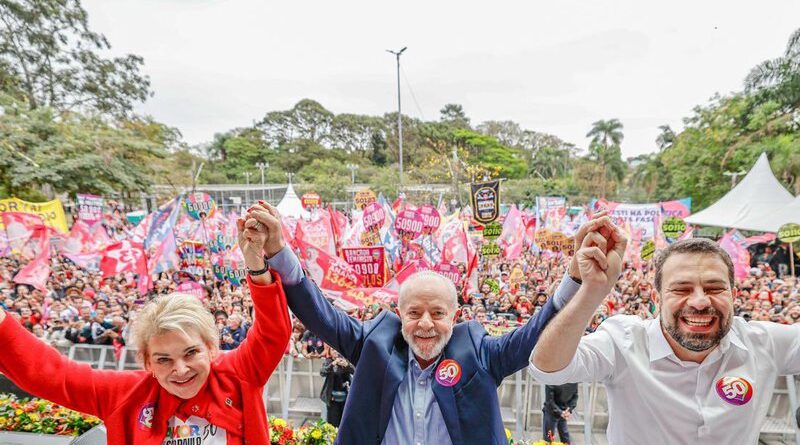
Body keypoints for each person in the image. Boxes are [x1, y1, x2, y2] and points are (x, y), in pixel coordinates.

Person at [245, 202, 615, 445]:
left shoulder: (480, 352)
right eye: (414, 313)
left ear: (454, 316)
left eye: (437, 313)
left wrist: (574, 277)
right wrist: (277, 251)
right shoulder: (374, 342)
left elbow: (535, 334)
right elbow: (318, 313)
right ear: (399, 314)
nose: (425, 324)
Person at [0, 214, 292, 445]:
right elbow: (49, 374)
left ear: (211, 349)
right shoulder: (126, 394)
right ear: (146, 361)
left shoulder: (238, 375)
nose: (180, 370)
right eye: (164, 359)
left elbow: (272, 334)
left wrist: (256, 266)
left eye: (191, 353)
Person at [530, 236, 800, 444]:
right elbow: (546, 368)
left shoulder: (765, 343)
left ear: (734, 294)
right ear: (657, 298)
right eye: (681, 289)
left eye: (714, 288)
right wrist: (590, 291)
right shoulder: (622, 341)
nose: (699, 301)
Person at [320, 349, 354, 427]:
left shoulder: (346, 361)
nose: (335, 352)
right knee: (333, 422)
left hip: (345, 398)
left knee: (344, 421)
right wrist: (332, 364)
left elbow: (355, 372)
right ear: (330, 352)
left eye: (337, 350)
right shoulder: (328, 361)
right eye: (332, 350)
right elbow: (322, 372)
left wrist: (347, 366)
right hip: (332, 398)